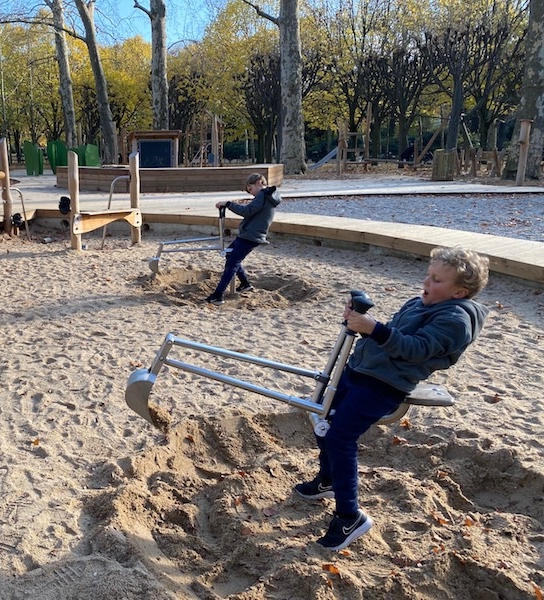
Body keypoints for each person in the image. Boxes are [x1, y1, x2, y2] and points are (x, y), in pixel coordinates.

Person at [294, 246, 490, 551]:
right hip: (361, 370)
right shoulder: (419, 302)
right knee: (323, 419)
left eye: (437, 280)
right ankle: (328, 479)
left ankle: (350, 516)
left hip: (383, 386)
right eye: (428, 274)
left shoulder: (456, 320)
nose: (427, 281)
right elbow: (390, 334)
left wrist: (373, 329)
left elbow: (414, 348)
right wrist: (361, 325)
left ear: (459, 292)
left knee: (340, 438)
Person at [206, 173, 281, 305]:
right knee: (230, 255)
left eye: (251, 189)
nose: (252, 194)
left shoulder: (263, 195)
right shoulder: (268, 196)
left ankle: (218, 295)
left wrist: (229, 204)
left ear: (258, 182)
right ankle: (245, 284)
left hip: (251, 235)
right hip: (250, 234)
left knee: (232, 263)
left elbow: (247, 210)